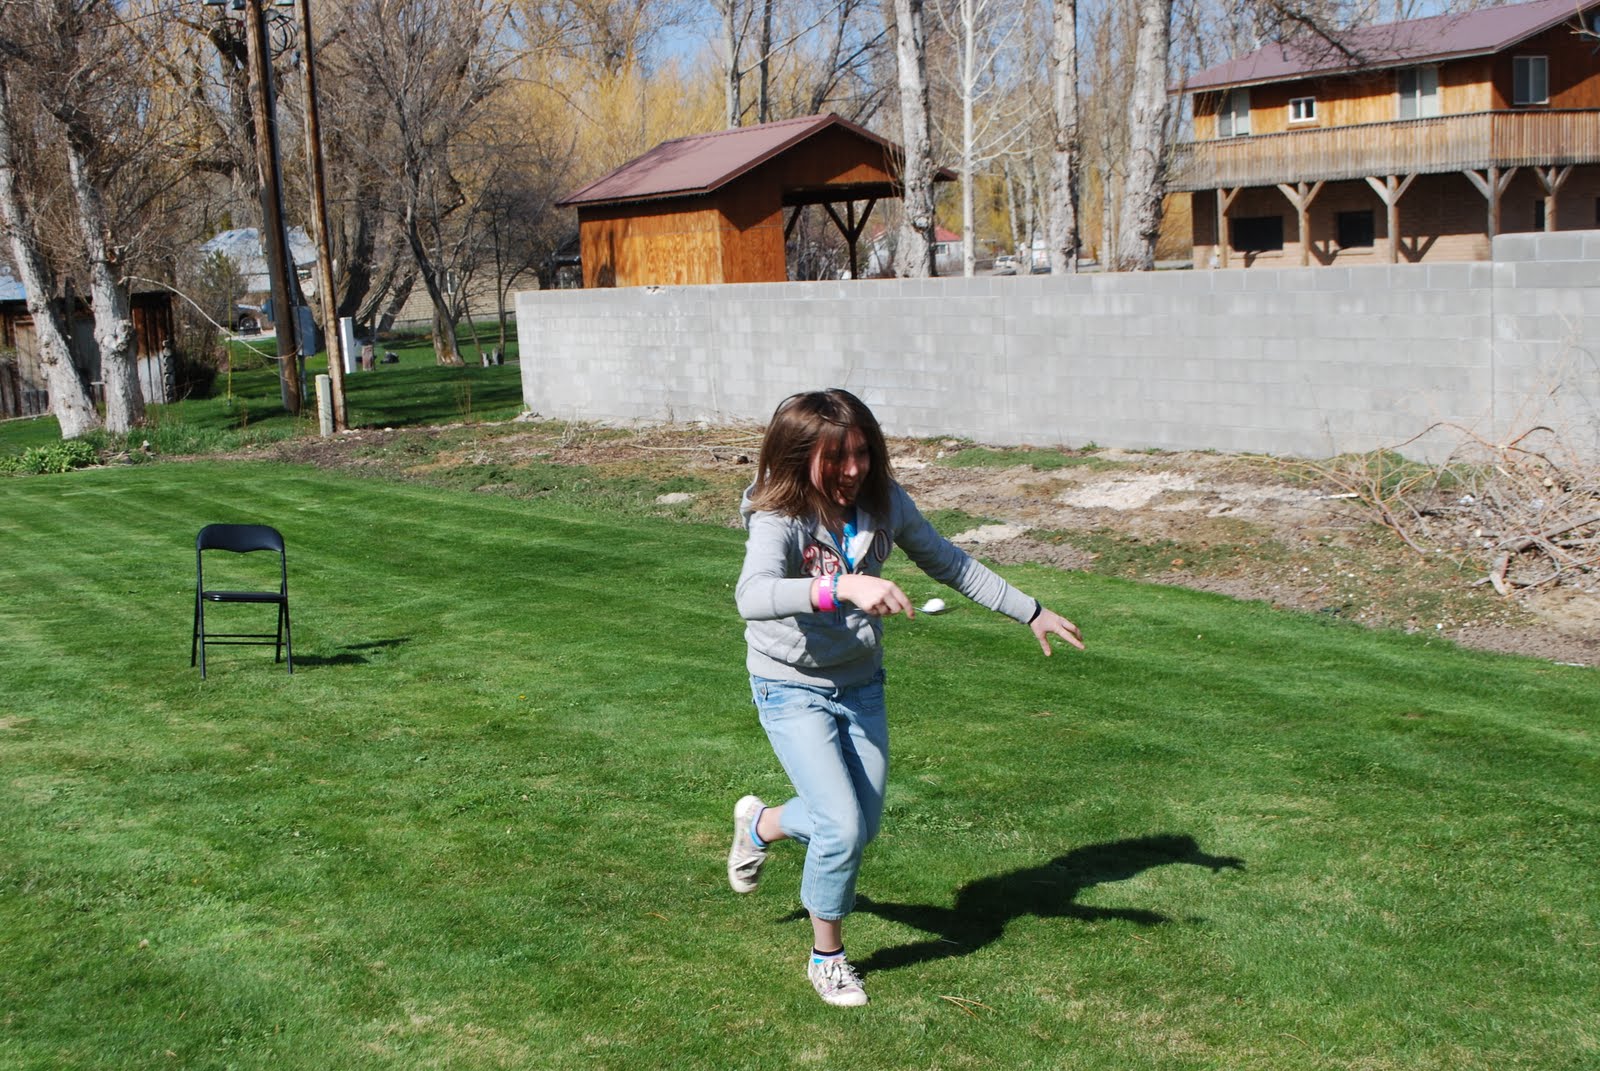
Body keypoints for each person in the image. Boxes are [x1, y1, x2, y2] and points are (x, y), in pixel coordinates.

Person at [728, 389, 1085, 1007]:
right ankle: (827, 958)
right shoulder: (779, 514)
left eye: (863, 453)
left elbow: (950, 563)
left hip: (861, 682)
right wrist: (841, 586)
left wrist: (1030, 610)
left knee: (859, 827)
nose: (853, 470)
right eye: (836, 457)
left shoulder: (885, 502)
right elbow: (752, 595)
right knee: (841, 827)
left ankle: (761, 825)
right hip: (790, 685)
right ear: (798, 456)